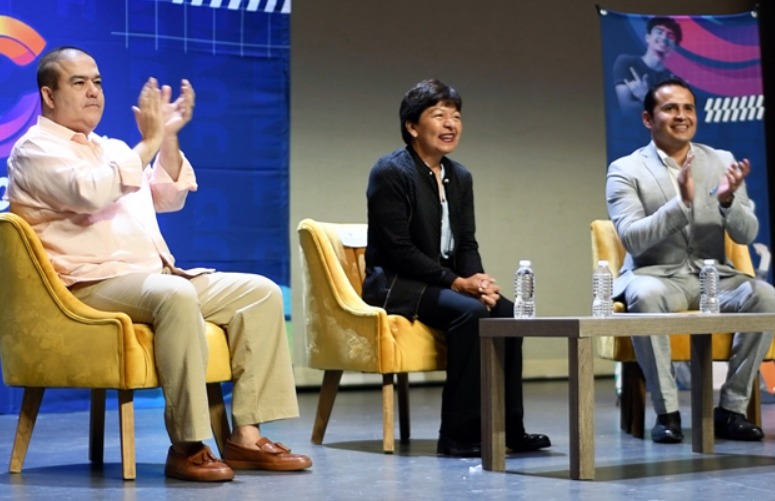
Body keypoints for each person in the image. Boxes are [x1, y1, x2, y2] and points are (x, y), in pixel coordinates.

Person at [5, 46, 311, 481]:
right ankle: (188, 445)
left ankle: (246, 436)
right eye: (79, 83)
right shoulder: (33, 150)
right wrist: (146, 142)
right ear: (48, 95)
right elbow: (89, 192)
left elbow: (168, 196)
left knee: (258, 293)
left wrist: (166, 137)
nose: (93, 91)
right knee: (175, 294)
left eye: (97, 82)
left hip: (150, 278)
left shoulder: (110, 147)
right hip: (85, 287)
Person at [361, 79, 550, 457]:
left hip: (442, 282)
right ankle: (458, 435)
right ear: (412, 127)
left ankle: (510, 429)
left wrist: (479, 281)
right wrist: (458, 283)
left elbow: (466, 244)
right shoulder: (391, 172)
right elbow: (398, 250)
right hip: (396, 283)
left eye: (456, 116)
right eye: (438, 115)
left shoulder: (460, 176)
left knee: (507, 311)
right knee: (470, 313)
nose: (450, 124)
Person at [606, 77, 775, 444]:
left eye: (688, 108)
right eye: (670, 108)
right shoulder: (625, 169)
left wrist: (729, 203)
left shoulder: (722, 161)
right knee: (646, 295)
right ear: (649, 119)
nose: (681, 116)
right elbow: (632, 237)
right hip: (656, 274)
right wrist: (680, 204)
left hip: (712, 276)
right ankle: (667, 413)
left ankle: (730, 410)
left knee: (765, 296)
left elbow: (746, 234)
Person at [613, 16, 682, 113]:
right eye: (659, 32)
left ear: (675, 46)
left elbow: (671, 115)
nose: (664, 37)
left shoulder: (675, 80)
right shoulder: (626, 62)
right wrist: (660, 106)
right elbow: (626, 108)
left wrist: (644, 96)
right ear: (647, 38)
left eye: (670, 35)